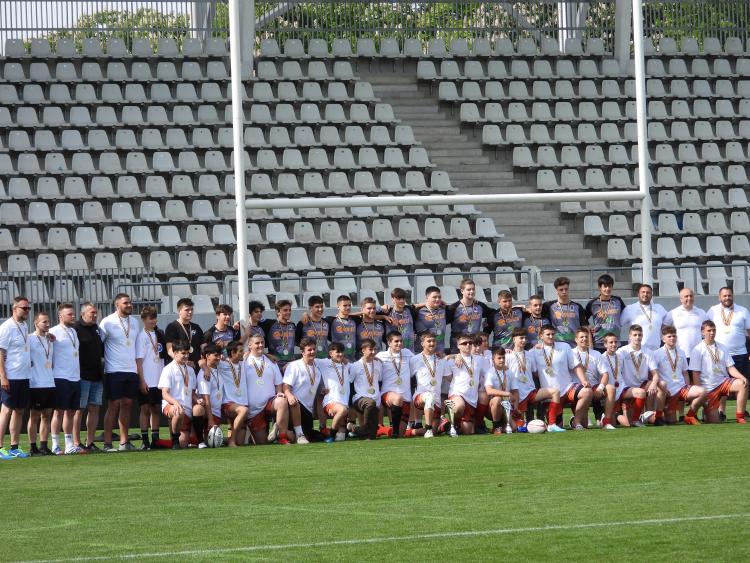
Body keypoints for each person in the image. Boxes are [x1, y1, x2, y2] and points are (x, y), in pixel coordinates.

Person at [100, 293, 140, 452]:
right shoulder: (107, 322)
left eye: (130, 302)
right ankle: (107, 443)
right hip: (113, 370)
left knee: (127, 404)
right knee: (113, 405)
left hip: (131, 370)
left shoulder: (135, 322)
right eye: (125, 303)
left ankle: (124, 442)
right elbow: (99, 344)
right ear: (117, 305)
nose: (129, 305)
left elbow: (136, 347)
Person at [689, 320, 748, 424]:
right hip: (708, 387)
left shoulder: (722, 347)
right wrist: (700, 393)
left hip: (723, 382)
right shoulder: (697, 349)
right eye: (709, 331)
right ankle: (705, 412)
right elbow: (695, 373)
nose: (712, 333)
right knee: (714, 421)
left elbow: (730, 368)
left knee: (742, 384)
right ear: (702, 332)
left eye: (714, 330)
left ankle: (740, 417)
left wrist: (742, 377)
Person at [533, 325, 591, 430]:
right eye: (548, 334)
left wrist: (584, 381)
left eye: (553, 334)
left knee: (587, 392)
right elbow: (533, 372)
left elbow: (576, 365)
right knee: (557, 426)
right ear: (541, 336)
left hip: (568, 388)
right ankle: (564, 421)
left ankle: (576, 421)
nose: (551, 336)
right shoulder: (534, 351)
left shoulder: (564, 346)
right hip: (551, 394)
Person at [504, 328, 561, 432]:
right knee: (518, 428)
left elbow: (535, 372)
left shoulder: (530, 354)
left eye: (525, 338)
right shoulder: (507, 356)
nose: (524, 340)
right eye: (521, 338)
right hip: (517, 395)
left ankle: (552, 424)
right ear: (514, 339)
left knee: (555, 392)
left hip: (531, 392)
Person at [649, 326, 705, 425]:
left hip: (681, 389)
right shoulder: (656, 353)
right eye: (669, 336)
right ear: (663, 339)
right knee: (672, 422)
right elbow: (652, 374)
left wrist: (687, 386)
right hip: (668, 391)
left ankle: (689, 416)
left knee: (703, 392)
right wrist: (662, 388)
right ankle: (659, 415)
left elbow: (685, 373)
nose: (672, 338)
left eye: (674, 336)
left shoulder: (681, 352)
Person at [49, 303, 83, 455]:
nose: (73, 316)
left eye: (73, 313)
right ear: (60, 316)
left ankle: (69, 445)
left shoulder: (73, 331)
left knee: (71, 412)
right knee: (59, 412)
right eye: (69, 314)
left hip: (75, 377)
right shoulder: (53, 331)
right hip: (60, 377)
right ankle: (55, 445)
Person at [0, 296, 32, 459]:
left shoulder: (24, 325)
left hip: (23, 375)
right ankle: (0, 447)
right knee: (6, 410)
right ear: (14, 309)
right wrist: (3, 376)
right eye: (24, 308)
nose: (27, 311)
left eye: (28, 308)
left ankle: (14, 446)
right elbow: (1, 353)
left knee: (19, 410)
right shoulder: (6, 327)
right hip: (11, 375)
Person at [244, 334, 290, 445]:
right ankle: (280, 433)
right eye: (257, 343)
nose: (261, 345)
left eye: (262, 343)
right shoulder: (244, 361)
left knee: (282, 401)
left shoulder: (271, 361)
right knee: (262, 443)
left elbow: (278, 383)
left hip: (270, 404)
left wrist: (279, 392)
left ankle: (281, 435)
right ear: (250, 345)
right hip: (254, 410)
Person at [74, 302, 105, 452]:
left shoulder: (97, 329)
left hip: (97, 376)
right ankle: (76, 443)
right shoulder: (75, 328)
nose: (94, 315)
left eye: (95, 313)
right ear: (82, 314)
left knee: (94, 408)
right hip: (82, 376)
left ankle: (90, 442)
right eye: (92, 313)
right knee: (79, 410)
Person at [445, 333, 489, 436]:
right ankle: (452, 424)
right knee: (459, 405)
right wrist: (455, 355)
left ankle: (477, 424)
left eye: (470, 343)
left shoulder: (480, 359)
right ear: (458, 346)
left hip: (472, 398)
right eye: (464, 343)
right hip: (457, 395)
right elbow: (447, 376)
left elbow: (488, 374)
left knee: (468, 431)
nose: (468, 345)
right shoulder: (451, 360)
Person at [135, 306, 166, 450]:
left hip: (159, 379)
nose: (153, 320)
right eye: (150, 318)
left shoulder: (160, 334)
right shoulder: (141, 336)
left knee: (156, 408)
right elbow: (139, 361)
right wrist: (142, 381)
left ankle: (155, 439)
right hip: (147, 378)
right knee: (145, 409)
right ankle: (144, 440)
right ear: (143, 319)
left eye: (155, 317)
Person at [282, 337, 323, 444]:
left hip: (308, 411)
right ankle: (297, 434)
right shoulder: (294, 366)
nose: (312, 352)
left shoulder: (318, 368)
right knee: (298, 437)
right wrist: (289, 396)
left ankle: (281, 429)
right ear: (302, 352)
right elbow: (286, 386)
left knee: (313, 437)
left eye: (314, 349)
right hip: (295, 406)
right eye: (309, 350)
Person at [158, 341, 198, 449]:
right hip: (172, 405)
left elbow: (192, 392)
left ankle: (198, 439)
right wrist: (175, 403)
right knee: (178, 411)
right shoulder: (168, 369)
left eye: (187, 353)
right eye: (183, 353)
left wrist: (197, 400)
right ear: (175, 353)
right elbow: (164, 394)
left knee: (185, 444)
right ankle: (174, 440)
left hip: (187, 408)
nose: (186, 356)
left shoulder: (190, 370)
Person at [410, 332, 450, 438]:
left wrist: (453, 356)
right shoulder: (415, 359)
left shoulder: (441, 360)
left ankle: (411, 432)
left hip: (436, 401)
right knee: (429, 396)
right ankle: (427, 429)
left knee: (435, 431)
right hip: (420, 397)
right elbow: (406, 378)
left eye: (433, 341)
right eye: (429, 341)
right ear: (422, 343)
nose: (432, 343)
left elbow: (450, 378)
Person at [706, 287, 750, 379]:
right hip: (719, 355)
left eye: (729, 295)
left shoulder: (743, 311)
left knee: (742, 382)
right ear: (719, 297)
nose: (727, 298)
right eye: (724, 296)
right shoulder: (712, 311)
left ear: (733, 296)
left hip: (739, 355)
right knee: (721, 384)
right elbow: (706, 330)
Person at [28, 311, 55, 456]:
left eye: (48, 321)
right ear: (36, 323)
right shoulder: (30, 339)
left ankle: (44, 446)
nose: (47, 324)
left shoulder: (50, 339)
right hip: (36, 384)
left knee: (47, 416)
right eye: (44, 322)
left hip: (50, 383)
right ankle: (33, 447)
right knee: (34, 416)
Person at [376, 331, 413, 438]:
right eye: (396, 341)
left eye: (401, 341)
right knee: (397, 398)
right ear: (389, 343)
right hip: (388, 394)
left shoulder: (407, 353)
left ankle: (383, 430)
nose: (399, 343)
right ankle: (394, 432)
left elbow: (421, 358)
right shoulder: (381, 356)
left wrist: (449, 356)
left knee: (402, 434)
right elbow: (368, 362)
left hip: (406, 397)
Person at [615, 325, 653, 426]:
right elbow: (616, 371)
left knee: (654, 384)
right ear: (629, 336)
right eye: (635, 335)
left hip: (641, 385)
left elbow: (655, 373)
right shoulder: (622, 351)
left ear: (642, 336)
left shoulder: (648, 352)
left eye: (639, 335)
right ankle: (618, 415)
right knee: (627, 424)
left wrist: (653, 383)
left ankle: (647, 415)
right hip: (626, 388)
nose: (637, 337)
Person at [216, 341, 249, 447]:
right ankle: (231, 441)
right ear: (232, 353)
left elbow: (256, 352)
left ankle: (221, 440)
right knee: (244, 410)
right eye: (240, 351)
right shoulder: (222, 364)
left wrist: (269, 356)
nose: (243, 353)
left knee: (241, 442)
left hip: (242, 403)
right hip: (228, 403)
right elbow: (202, 360)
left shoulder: (243, 364)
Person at [664, 288, 706, 370]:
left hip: (698, 353)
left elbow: (707, 330)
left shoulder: (701, 312)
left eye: (691, 296)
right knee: (683, 377)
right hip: (679, 354)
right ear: (681, 299)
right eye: (686, 296)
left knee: (697, 378)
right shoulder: (673, 313)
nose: (689, 298)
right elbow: (663, 329)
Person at [446, 279, 493, 353]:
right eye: (468, 289)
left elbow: (493, 314)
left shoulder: (480, 306)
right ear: (462, 291)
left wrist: (487, 327)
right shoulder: (454, 308)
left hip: (475, 344)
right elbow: (442, 322)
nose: (471, 291)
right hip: (458, 346)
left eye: (473, 289)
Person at [349, 338, 382, 439]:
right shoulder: (355, 366)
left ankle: (354, 429)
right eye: (371, 349)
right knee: (370, 403)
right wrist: (350, 404)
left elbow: (379, 380)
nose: (373, 352)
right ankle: (360, 429)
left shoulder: (378, 364)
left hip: (375, 399)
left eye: (375, 349)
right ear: (363, 350)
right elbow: (350, 383)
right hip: (360, 398)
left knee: (371, 435)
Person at [542, 277, 588, 348]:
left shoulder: (577, 306)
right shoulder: (548, 306)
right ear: (556, 290)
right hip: (557, 346)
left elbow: (584, 327)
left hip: (575, 346)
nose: (564, 292)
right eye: (561, 290)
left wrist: (589, 345)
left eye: (566, 289)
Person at [620, 284, 668, 353]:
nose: (645, 294)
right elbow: (618, 324)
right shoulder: (629, 309)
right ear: (638, 294)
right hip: (637, 351)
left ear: (651, 295)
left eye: (648, 292)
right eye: (643, 292)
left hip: (656, 350)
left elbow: (668, 322)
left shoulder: (659, 308)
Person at [318, 342, 351, 443]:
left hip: (344, 402)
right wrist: (289, 364)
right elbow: (307, 360)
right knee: (342, 410)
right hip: (330, 401)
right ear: (331, 353)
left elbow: (361, 365)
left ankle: (348, 429)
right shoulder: (324, 363)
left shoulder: (347, 365)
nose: (341, 354)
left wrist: (375, 358)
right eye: (338, 352)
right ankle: (331, 435)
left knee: (341, 437)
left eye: (342, 352)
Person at [585, 274, 626, 353]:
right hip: (599, 343)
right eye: (605, 286)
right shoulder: (593, 303)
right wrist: (589, 327)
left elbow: (626, 314)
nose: (607, 289)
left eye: (609, 286)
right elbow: (583, 319)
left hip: (615, 343)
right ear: (600, 287)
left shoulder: (618, 301)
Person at [572, 327, 605, 424]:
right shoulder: (570, 353)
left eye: (586, 337)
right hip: (577, 388)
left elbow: (605, 374)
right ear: (576, 339)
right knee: (584, 425)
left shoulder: (596, 354)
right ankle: (575, 419)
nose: (584, 339)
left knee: (609, 388)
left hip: (594, 387)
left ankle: (603, 417)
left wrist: (600, 388)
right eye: (581, 337)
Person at [164, 298, 203, 369]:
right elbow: (170, 350)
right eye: (187, 310)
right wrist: (185, 362)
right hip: (179, 368)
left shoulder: (196, 327)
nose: (190, 312)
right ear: (179, 311)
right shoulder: (172, 327)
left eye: (192, 309)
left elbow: (203, 348)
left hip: (196, 367)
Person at [196, 344, 224, 442]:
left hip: (217, 412)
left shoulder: (217, 368)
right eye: (215, 355)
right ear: (207, 356)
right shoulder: (204, 374)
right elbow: (206, 398)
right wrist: (210, 419)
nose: (218, 358)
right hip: (208, 413)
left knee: (215, 442)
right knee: (209, 442)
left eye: (219, 355)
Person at [484, 347, 513, 434]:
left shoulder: (509, 372)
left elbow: (515, 391)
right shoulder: (490, 373)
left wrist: (515, 408)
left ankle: (503, 425)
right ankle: (496, 426)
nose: (502, 360)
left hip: (506, 406)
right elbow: (489, 391)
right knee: (497, 399)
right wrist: (506, 393)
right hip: (492, 408)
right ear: (493, 359)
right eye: (499, 358)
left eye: (503, 358)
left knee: (514, 428)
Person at [260, 299, 297, 370]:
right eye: (285, 310)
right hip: (275, 363)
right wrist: (239, 323)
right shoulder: (269, 324)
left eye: (289, 310)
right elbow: (253, 322)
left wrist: (306, 315)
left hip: (291, 363)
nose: (288, 312)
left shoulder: (292, 325)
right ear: (278, 312)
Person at [594, 333, 620, 430]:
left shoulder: (620, 356)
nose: (613, 344)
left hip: (620, 389)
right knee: (615, 422)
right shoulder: (601, 357)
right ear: (605, 344)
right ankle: (603, 417)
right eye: (611, 342)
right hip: (608, 391)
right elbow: (602, 376)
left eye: (615, 342)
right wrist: (601, 388)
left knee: (626, 423)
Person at [414, 286, 448, 355]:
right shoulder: (418, 311)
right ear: (427, 298)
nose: (437, 299)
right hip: (422, 352)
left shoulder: (444, 310)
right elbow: (404, 307)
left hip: (439, 351)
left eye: (439, 297)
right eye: (434, 297)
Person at [381, 288, 416, 352]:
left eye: (403, 299)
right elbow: (367, 314)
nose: (402, 301)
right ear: (392, 299)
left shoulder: (409, 310)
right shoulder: (387, 312)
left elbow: (415, 306)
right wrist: (383, 316)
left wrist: (426, 303)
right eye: (399, 299)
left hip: (409, 350)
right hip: (393, 351)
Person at [295, 295, 330, 359]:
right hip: (309, 359)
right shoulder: (303, 323)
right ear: (310, 308)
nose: (320, 309)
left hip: (325, 359)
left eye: (321, 306)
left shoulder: (327, 322)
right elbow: (297, 341)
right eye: (317, 307)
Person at [327, 295, 357, 361]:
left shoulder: (355, 320)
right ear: (338, 306)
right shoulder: (331, 320)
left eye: (349, 305)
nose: (348, 307)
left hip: (352, 359)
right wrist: (305, 314)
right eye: (345, 305)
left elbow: (367, 314)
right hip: (338, 359)